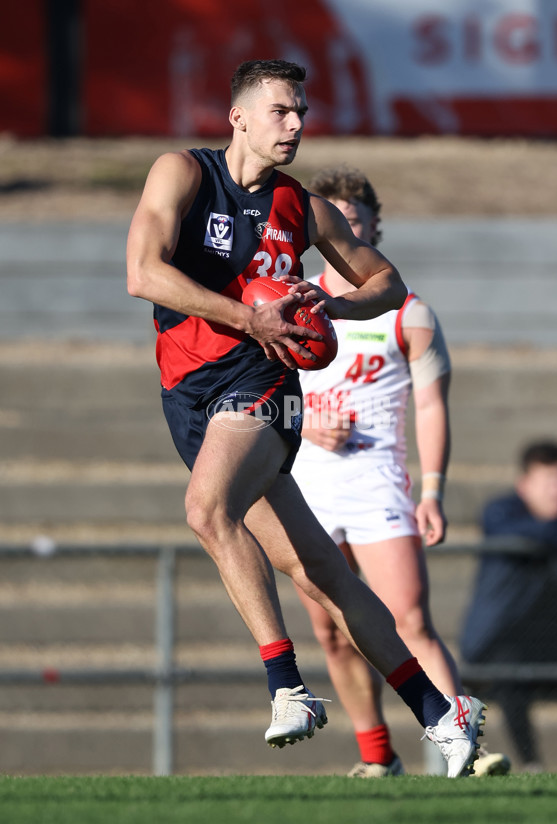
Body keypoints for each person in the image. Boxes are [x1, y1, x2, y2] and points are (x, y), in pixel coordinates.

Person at [126, 57, 486, 777]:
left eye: (301, 113)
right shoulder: (183, 173)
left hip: (263, 386)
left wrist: (336, 306)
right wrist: (246, 314)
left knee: (204, 510)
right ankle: (443, 716)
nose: (295, 125)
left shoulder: (304, 208)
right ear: (239, 117)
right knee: (318, 569)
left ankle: (287, 686)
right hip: (190, 393)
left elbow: (388, 283)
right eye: (281, 111)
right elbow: (144, 272)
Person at [291, 165, 509, 777]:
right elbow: (267, 387)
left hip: (378, 481)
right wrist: (307, 425)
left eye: (354, 222)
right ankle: (377, 757)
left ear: (373, 229)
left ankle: (463, 745)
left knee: (408, 618)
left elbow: (432, 403)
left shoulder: (406, 311)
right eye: (332, 223)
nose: (343, 233)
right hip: (306, 484)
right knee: (334, 632)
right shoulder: (293, 300)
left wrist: (432, 489)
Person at [460, 440, 557, 771]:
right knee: (510, 671)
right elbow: (530, 531)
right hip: (499, 647)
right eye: (549, 481)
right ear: (525, 484)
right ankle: (531, 764)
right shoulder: (501, 512)